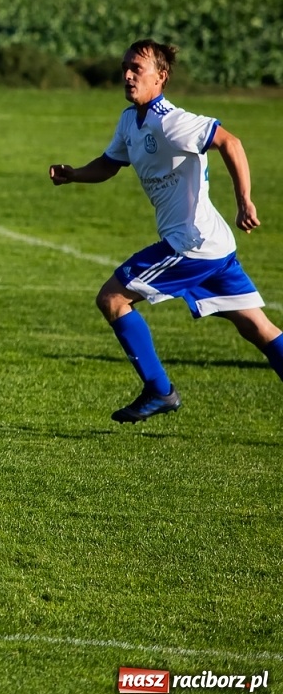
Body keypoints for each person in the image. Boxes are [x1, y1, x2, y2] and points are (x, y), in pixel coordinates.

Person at [48, 40, 283, 422]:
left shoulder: (172, 120)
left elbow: (230, 142)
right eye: (125, 68)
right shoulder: (130, 120)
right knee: (258, 327)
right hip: (214, 245)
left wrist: (245, 201)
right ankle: (159, 390)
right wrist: (75, 174)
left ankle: (159, 390)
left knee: (112, 298)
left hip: (190, 245)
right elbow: (109, 164)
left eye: (136, 69)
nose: (127, 75)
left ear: (161, 76)